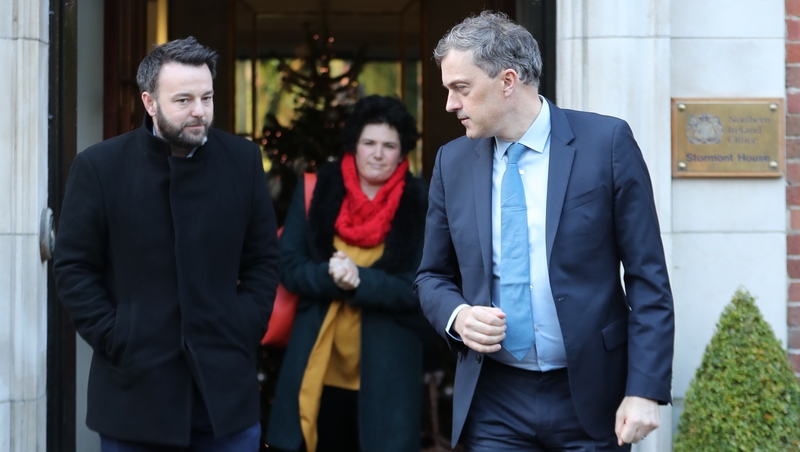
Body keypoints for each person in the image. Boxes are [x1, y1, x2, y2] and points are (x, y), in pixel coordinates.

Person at [414, 11, 674, 452]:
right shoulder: (451, 163)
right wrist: (458, 317)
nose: (450, 105)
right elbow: (431, 277)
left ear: (508, 81)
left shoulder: (607, 143)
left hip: (591, 398)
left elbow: (649, 280)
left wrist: (644, 389)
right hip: (493, 399)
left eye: (461, 88)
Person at [52, 37, 280, 451]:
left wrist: (243, 325)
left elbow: (263, 260)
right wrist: (116, 334)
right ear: (150, 102)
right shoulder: (99, 167)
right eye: (184, 99)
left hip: (225, 397)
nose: (200, 111)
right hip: (134, 397)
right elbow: (72, 267)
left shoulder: (243, 161)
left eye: (207, 97)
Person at [266, 95, 429, 452]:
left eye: (389, 145)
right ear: (354, 144)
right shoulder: (317, 190)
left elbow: (420, 287)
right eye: (369, 143)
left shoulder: (421, 201)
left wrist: (360, 281)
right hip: (318, 367)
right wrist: (333, 277)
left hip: (387, 374)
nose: (377, 153)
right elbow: (288, 266)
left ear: (403, 153)